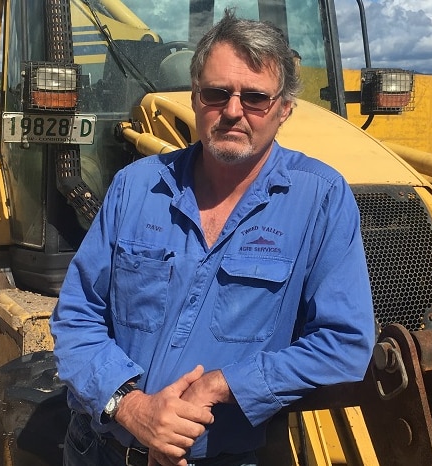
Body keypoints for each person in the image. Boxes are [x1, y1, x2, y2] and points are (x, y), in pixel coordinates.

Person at [50, 8, 375, 466]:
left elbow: (344, 344)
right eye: (216, 93)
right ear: (196, 97)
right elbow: (77, 315)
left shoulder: (321, 200)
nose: (233, 111)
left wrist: (225, 384)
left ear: (284, 109)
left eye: (256, 98)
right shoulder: (136, 186)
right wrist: (132, 406)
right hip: (102, 450)